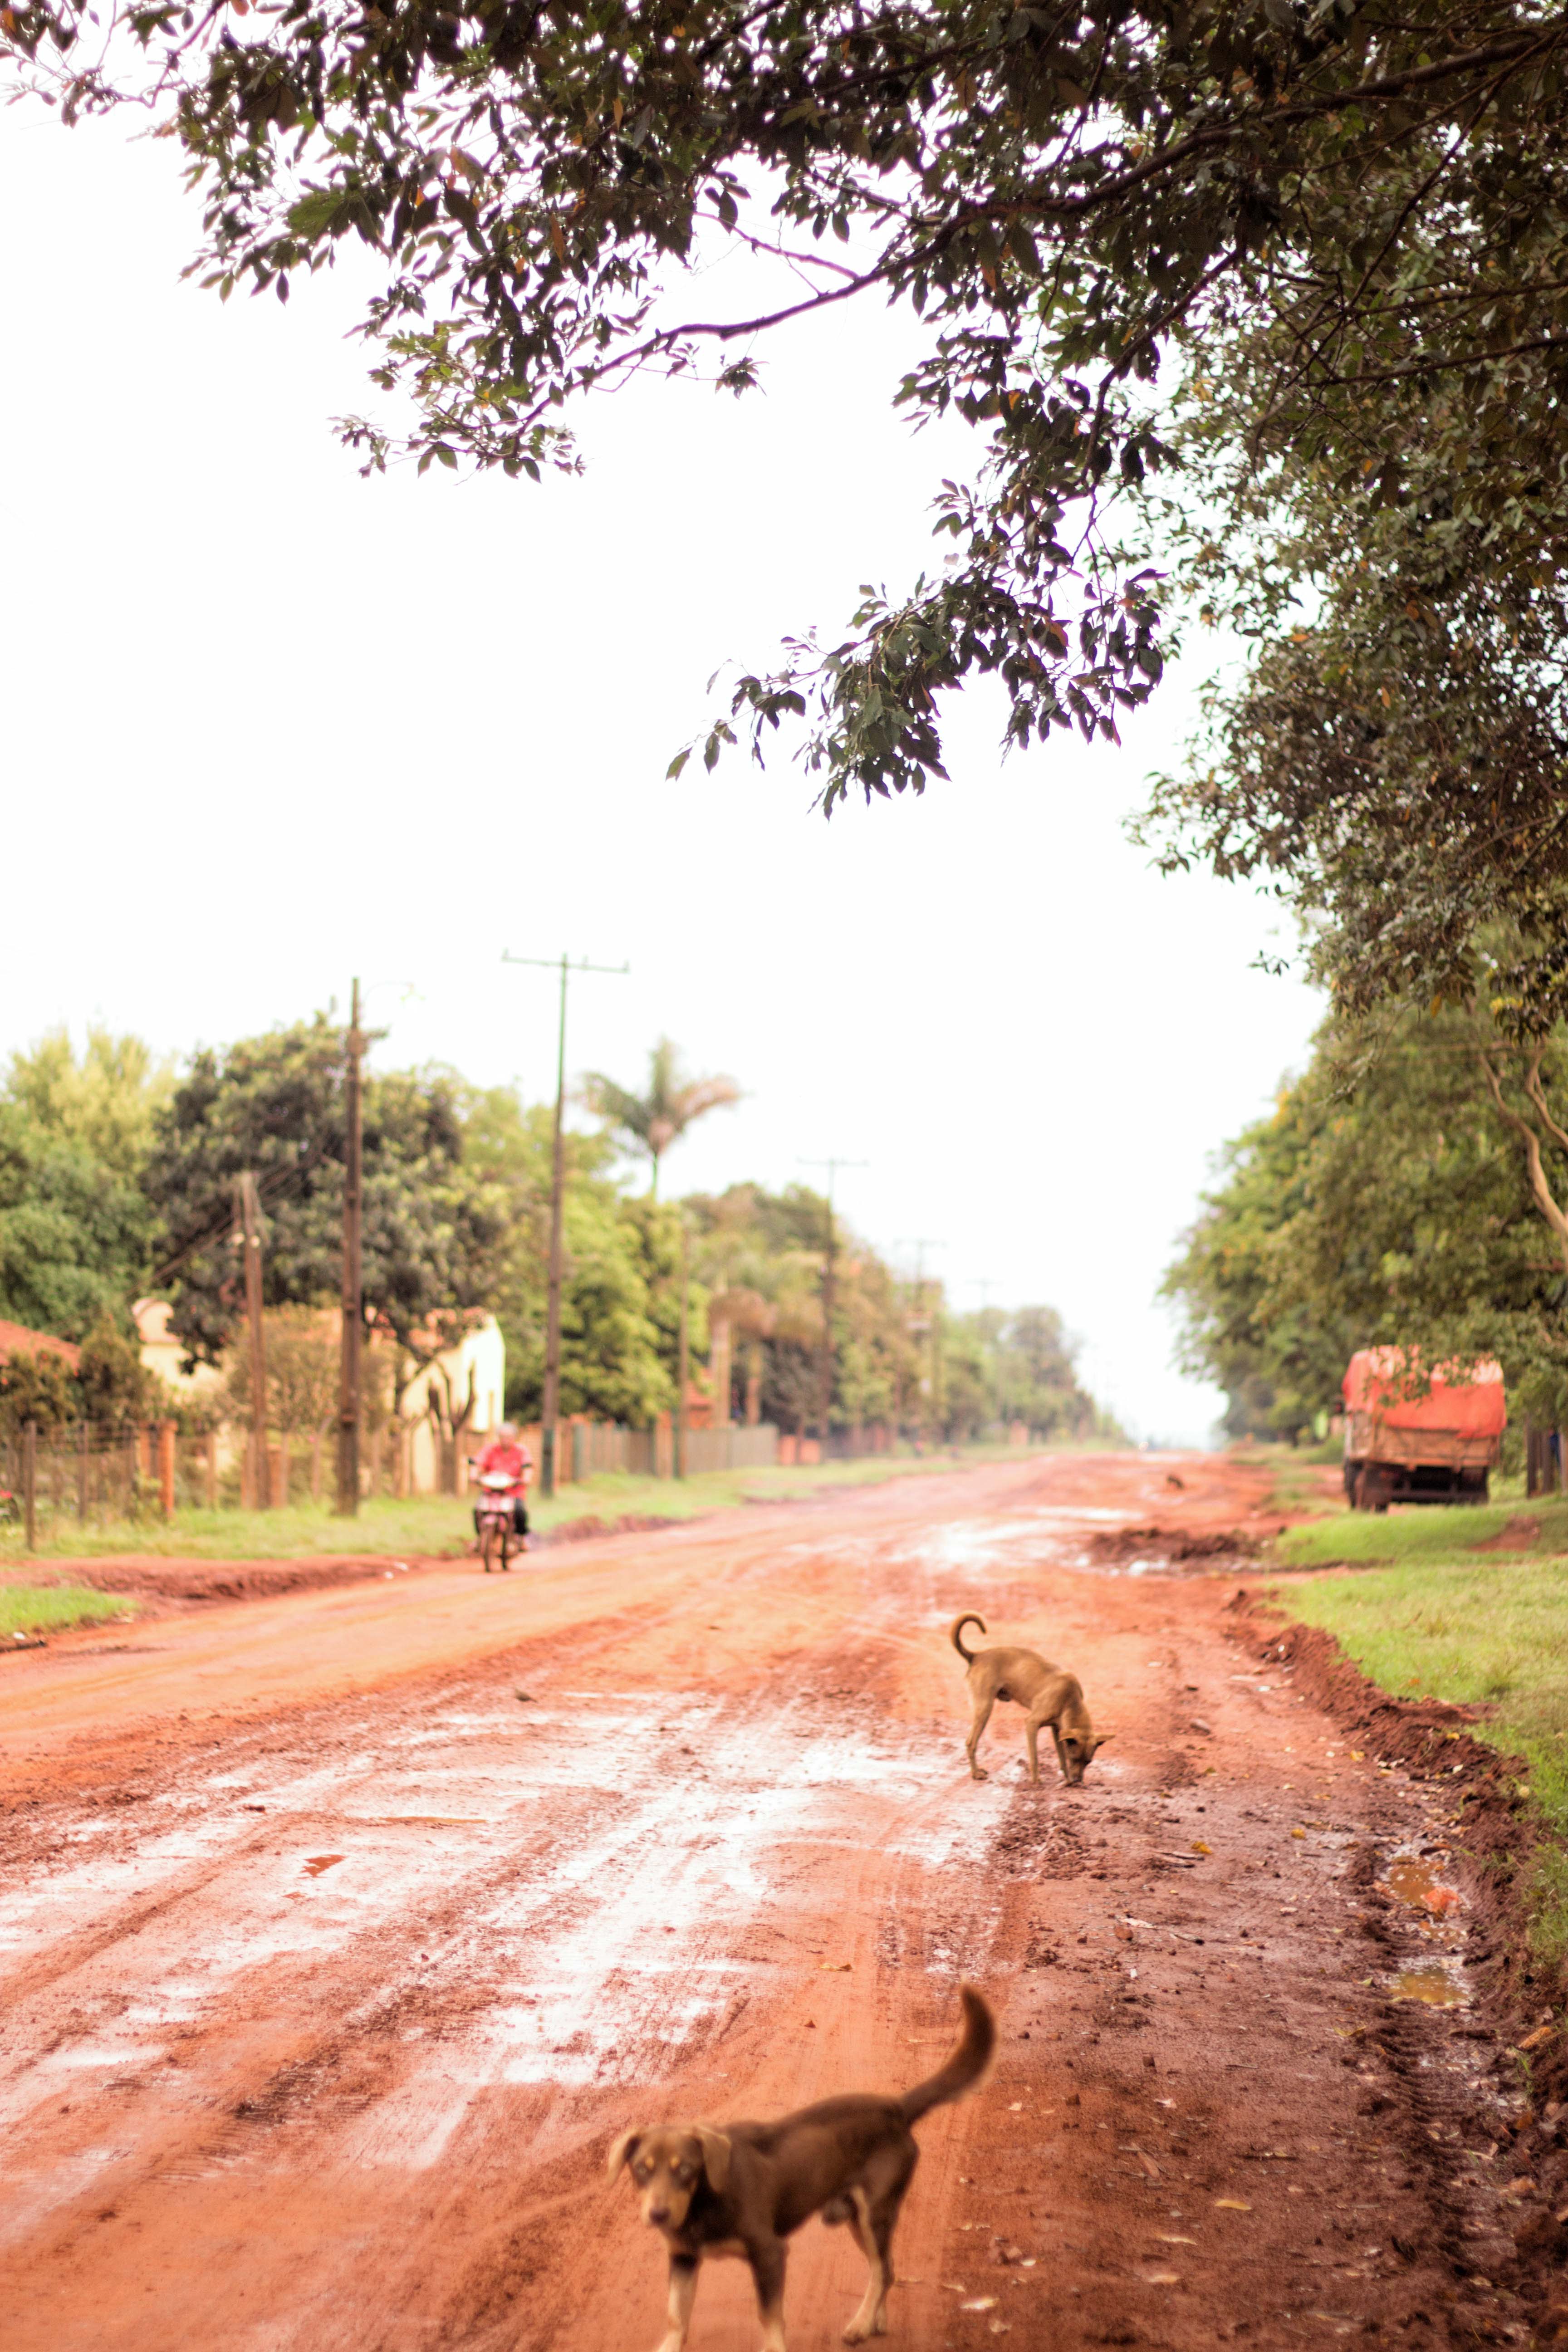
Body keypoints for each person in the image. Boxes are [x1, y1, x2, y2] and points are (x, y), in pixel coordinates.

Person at [471, 1421, 533, 1548]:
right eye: (502, 1437)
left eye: (509, 1437)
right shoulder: (490, 1449)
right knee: (477, 1511)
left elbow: (528, 1467)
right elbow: (478, 1462)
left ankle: (520, 1538)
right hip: (491, 1491)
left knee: (520, 1511)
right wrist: (473, 1475)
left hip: (513, 1492)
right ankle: (481, 1538)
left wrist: (526, 1478)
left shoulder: (521, 1451)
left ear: (515, 1438)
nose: (505, 1440)